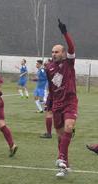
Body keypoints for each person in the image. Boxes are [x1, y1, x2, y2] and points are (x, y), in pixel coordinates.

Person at [45, 19, 77, 177]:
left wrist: (64, 33)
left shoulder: (69, 63)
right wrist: (49, 103)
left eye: (56, 51)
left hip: (70, 101)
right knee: (60, 137)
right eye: (52, 52)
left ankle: (60, 158)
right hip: (56, 104)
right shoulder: (48, 67)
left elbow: (71, 47)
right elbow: (51, 88)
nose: (54, 54)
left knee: (69, 128)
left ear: (63, 53)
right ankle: (64, 166)